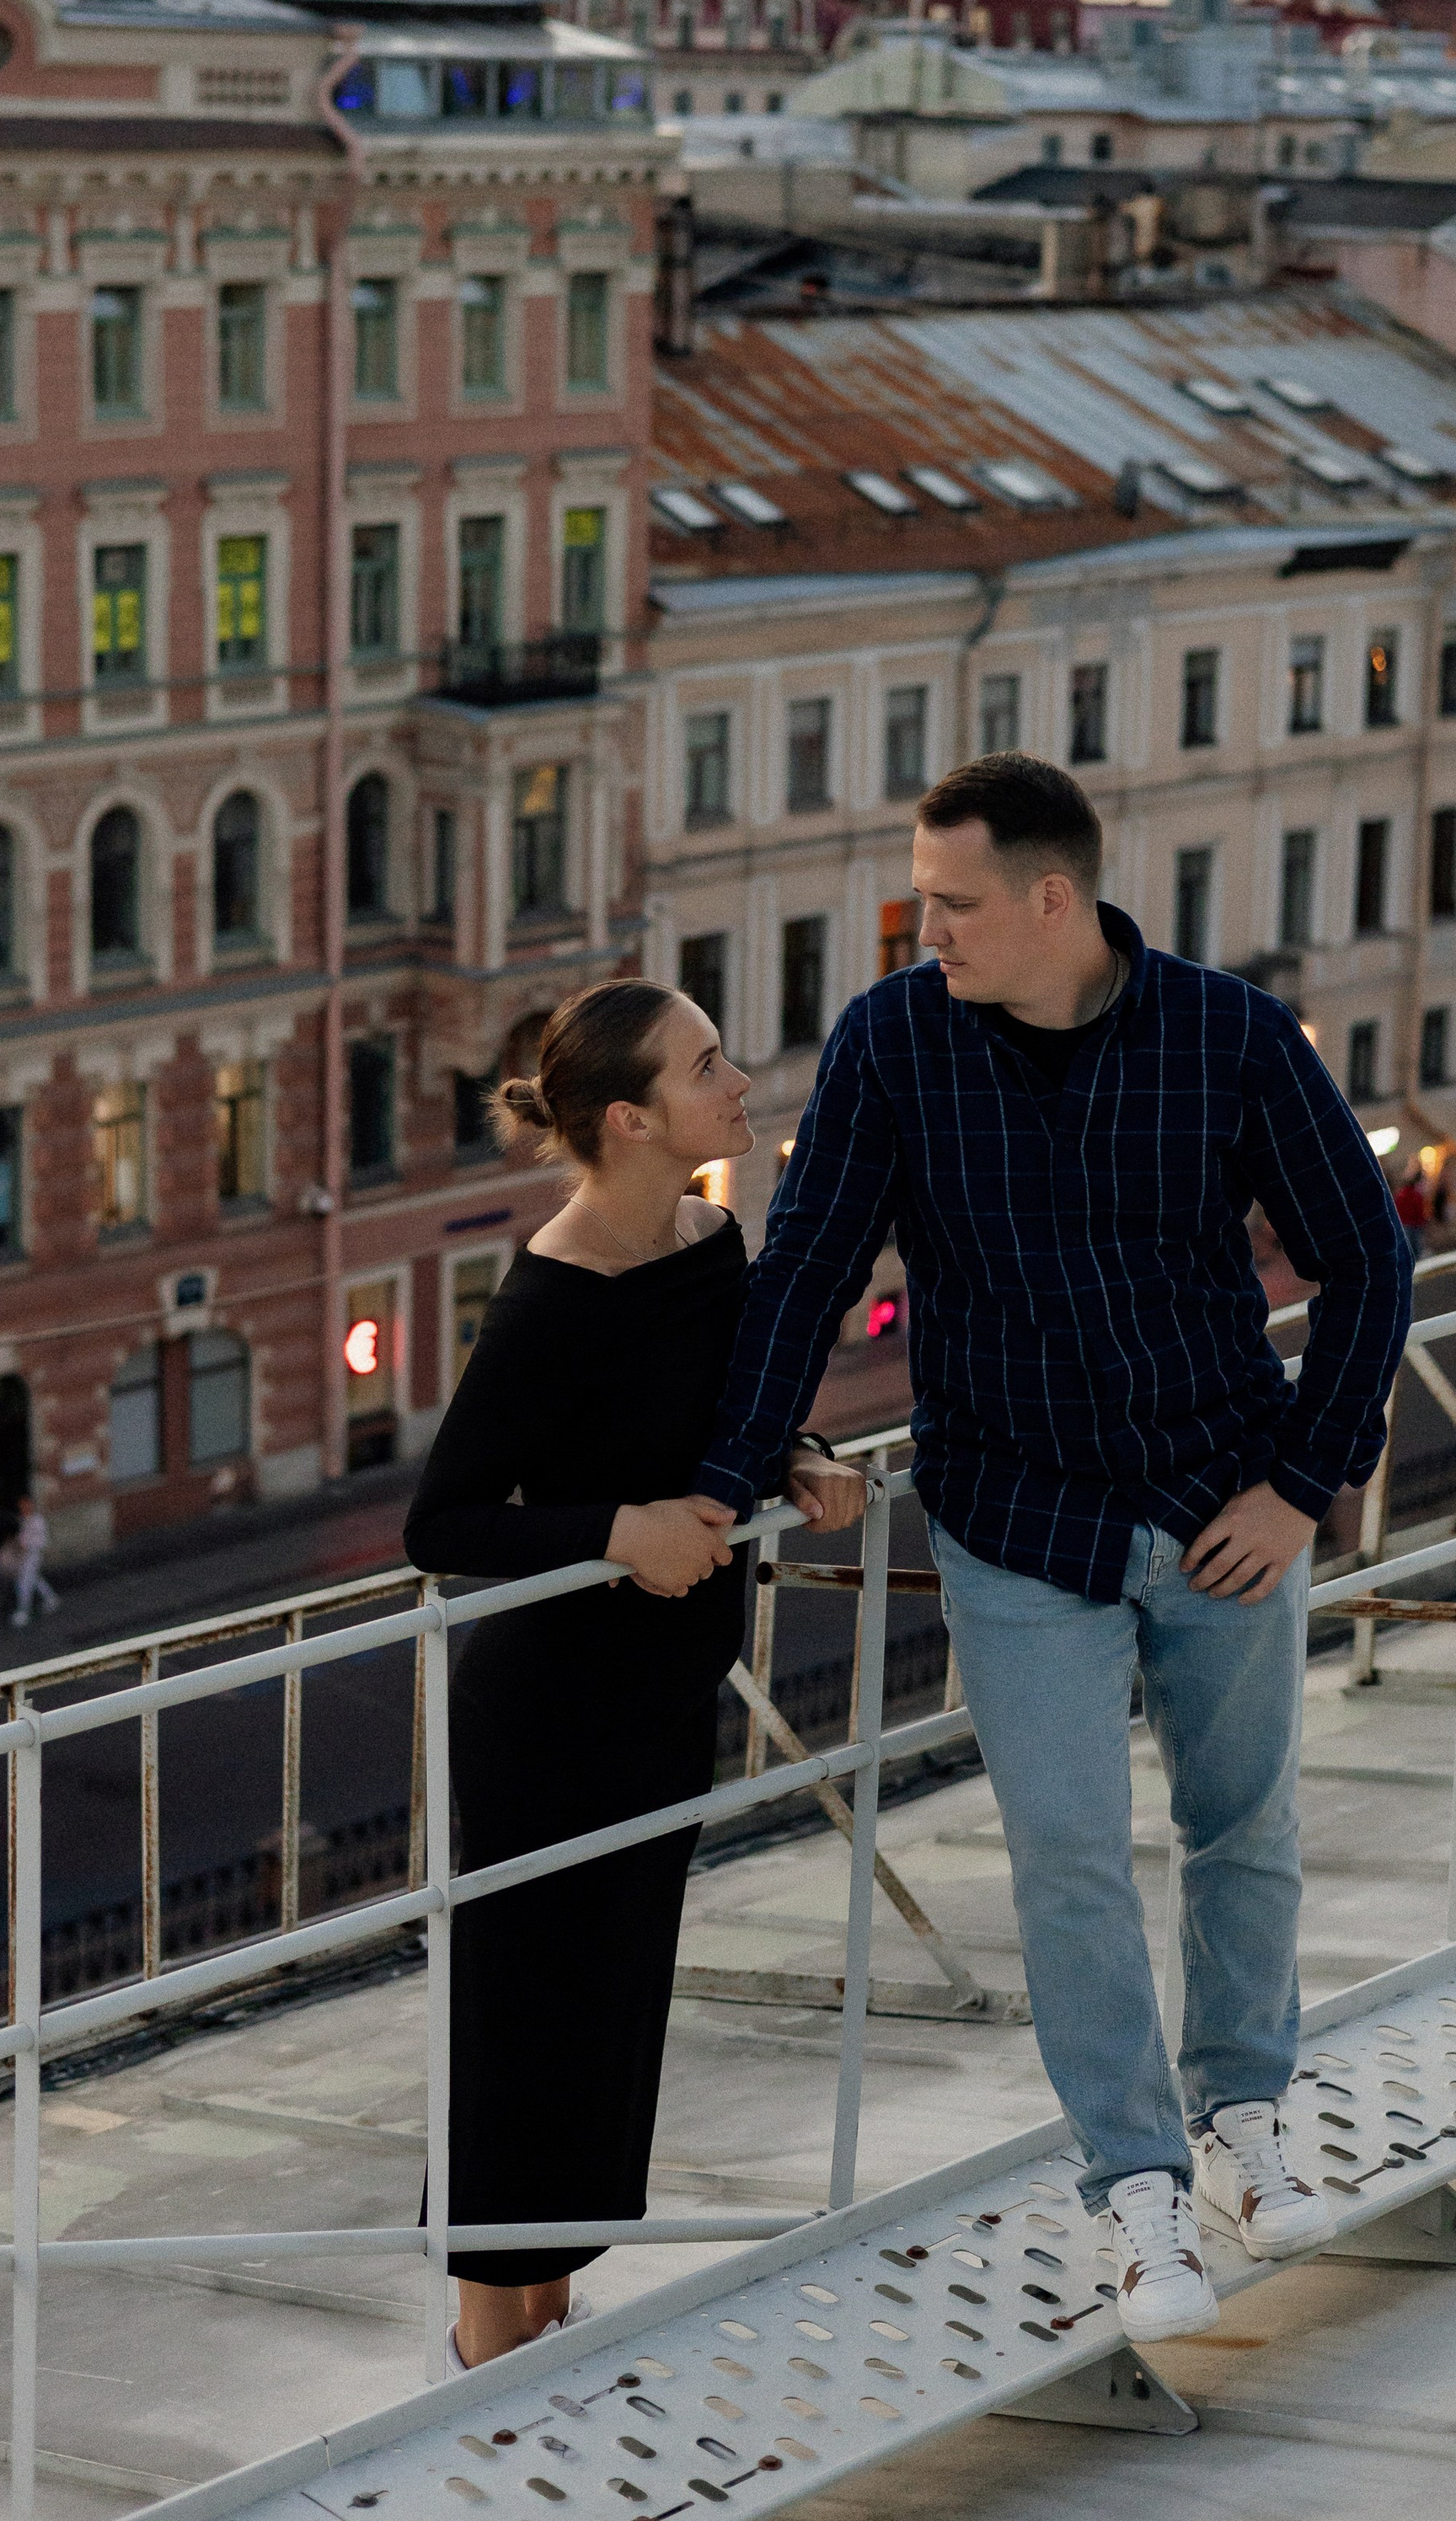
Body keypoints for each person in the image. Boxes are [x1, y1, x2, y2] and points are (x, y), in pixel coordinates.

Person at [694, 755, 1413, 2347]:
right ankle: (1138, 2185)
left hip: (1228, 1500)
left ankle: (1247, 2118)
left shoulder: (1226, 1033)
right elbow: (809, 1267)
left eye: (950, 902)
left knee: (1245, 1828)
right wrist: (727, 1472)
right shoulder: (893, 1042)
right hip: (1019, 1517)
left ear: (1051, 899)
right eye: (916, 898)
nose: (922, 926)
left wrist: (1305, 1481)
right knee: (1071, 1858)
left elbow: (1370, 1259)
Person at [403, 980, 856, 2373]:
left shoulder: (709, 1235)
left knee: (613, 2007)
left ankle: (549, 2306)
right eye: (706, 1065)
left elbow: (721, 1409)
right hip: (549, 1718)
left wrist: (792, 1458)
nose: (737, 1081)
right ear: (631, 1118)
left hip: (662, 1695)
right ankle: (490, 2339)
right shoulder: (551, 1295)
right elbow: (445, 1522)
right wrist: (617, 1533)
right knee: (526, 2016)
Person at [3, 1492, 60, 1627]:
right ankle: (51, 1599)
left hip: (33, 1555)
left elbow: (41, 1541)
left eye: (26, 1505)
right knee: (34, 1579)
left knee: (23, 1583)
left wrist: (26, 1544)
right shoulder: (24, 1520)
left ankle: (23, 1612)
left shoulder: (37, 1521)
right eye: (21, 1505)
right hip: (25, 1556)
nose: (23, 1507)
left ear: (31, 1505)